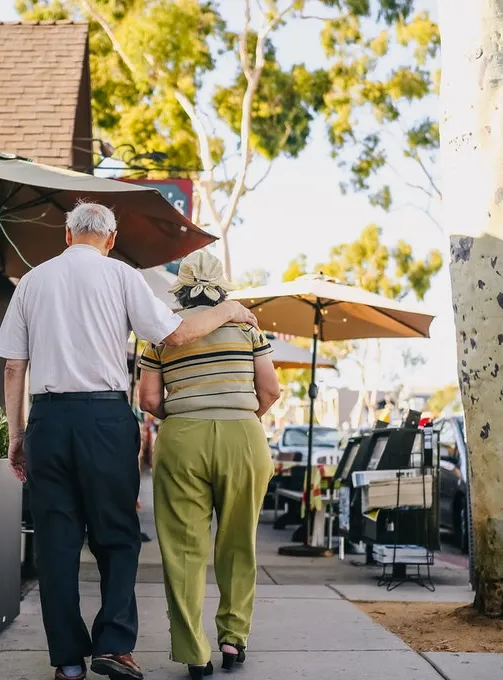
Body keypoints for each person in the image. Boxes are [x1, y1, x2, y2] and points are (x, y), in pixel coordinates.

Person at [0, 201, 259, 680]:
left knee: (56, 544)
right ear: (111, 239)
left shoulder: (32, 281)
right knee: (117, 537)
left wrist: (17, 435)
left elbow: (13, 365)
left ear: (67, 234)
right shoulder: (122, 276)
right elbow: (175, 337)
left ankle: (69, 663)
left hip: (48, 421)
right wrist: (230, 310)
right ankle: (114, 646)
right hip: (104, 418)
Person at [136, 251, 281, 680]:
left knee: (183, 549)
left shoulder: (163, 335)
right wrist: (236, 416)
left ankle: (194, 652)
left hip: (182, 438)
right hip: (244, 437)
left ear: (180, 287)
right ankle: (234, 639)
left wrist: (186, 415)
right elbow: (270, 390)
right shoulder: (247, 329)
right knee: (239, 542)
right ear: (222, 288)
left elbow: (147, 399)